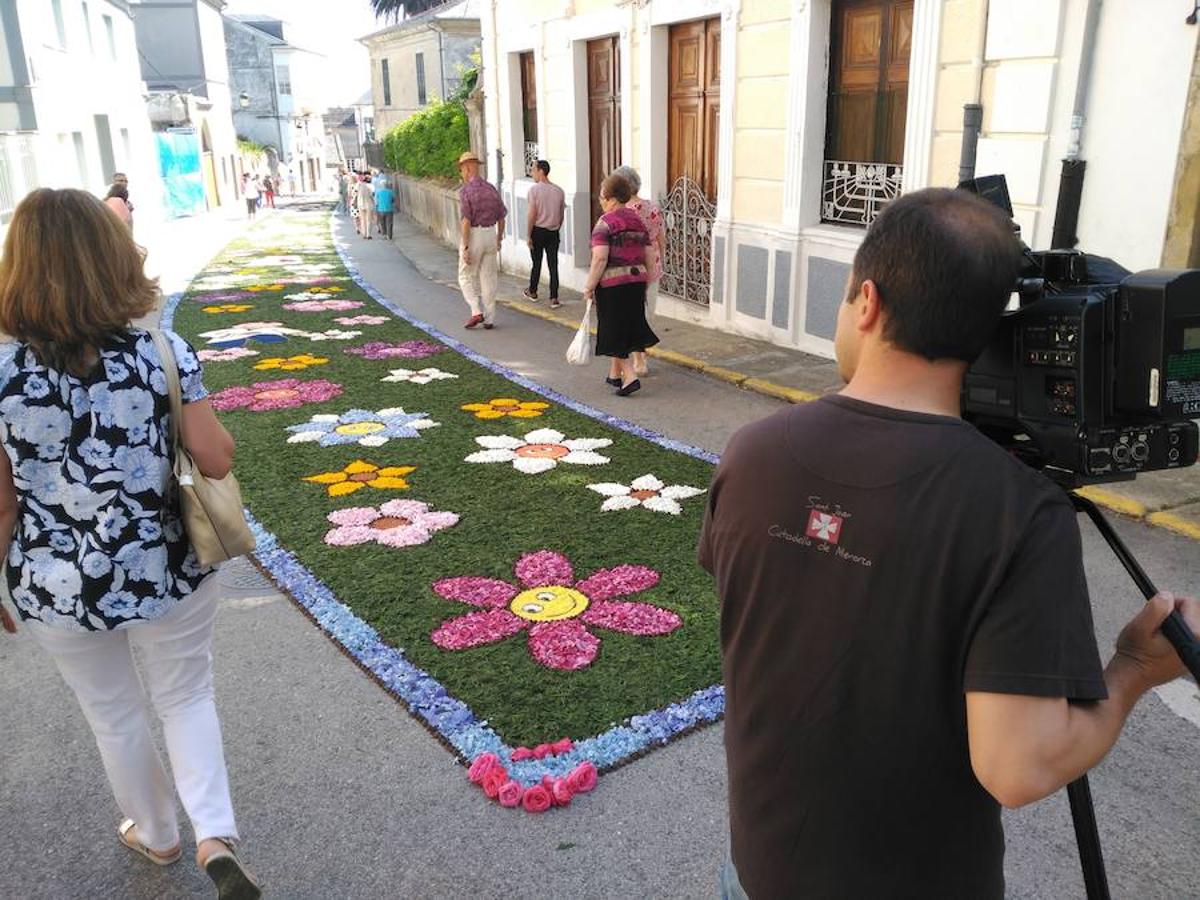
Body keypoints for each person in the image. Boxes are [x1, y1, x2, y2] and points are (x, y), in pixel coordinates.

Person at [698, 187, 1200, 899]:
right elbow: (1020, 766)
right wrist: (1132, 673)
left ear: (866, 302)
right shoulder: (1016, 510)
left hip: (759, 872)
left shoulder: (751, 452)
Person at [0, 188, 261, 899]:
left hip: (55, 582)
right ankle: (214, 834)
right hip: (166, 564)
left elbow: (0, 501)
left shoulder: (1, 374)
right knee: (185, 695)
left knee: (111, 710)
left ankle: (157, 833)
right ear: (114, 258)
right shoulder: (161, 351)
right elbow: (214, 459)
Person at [583, 173, 658, 396]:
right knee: (627, 325)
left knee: (612, 329)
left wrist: (589, 286)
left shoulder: (604, 223)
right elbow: (649, 253)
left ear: (611, 198)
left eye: (601, 198)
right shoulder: (637, 221)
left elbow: (600, 258)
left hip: (612, 284)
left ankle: (629, 376)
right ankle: (615, 374)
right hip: (636, 281)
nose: (600, 202)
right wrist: (646, 281)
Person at [612, 165, 666, 376]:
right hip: (653, 261)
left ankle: (638, 358)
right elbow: (661, 237)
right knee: (646, 311)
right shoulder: (652, 207)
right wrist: (661, 260)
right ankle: (641, 354)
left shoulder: (623, 212)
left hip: (631, 264)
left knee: (632, 311)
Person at [456, 151, 507, 330]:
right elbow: (502, 216)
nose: (462, 173)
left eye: (462, 169)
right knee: (489, 277)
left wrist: (466, 246)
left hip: (475, 234)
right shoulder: (491, 189)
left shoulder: (465, 192)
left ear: (468, 168)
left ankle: (476, 310)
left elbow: (466, 221)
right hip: (490, 234)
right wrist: (499, 237)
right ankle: (490, 318)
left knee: (465, 275)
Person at [523, 159, 565, 308]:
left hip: (538, 230)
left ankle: (533, 291)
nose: (532, 173)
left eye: (534, 170)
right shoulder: (559, 191)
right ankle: (554, 297)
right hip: (553, 232)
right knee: (553, 264)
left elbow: (532, 214)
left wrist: (528, 235)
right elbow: (561, 215)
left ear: (541, 171)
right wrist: (556, 227)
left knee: (537, 262)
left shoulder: (534, 191)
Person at [356, 173, 375, 240]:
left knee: (363, 220)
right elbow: (372, 195)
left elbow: (356, 193)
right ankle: (368, 234)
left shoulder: (359, 185)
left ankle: (364, 234)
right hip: (369, 204)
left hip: (361, 204)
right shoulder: (370, 186)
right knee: (369, 220)